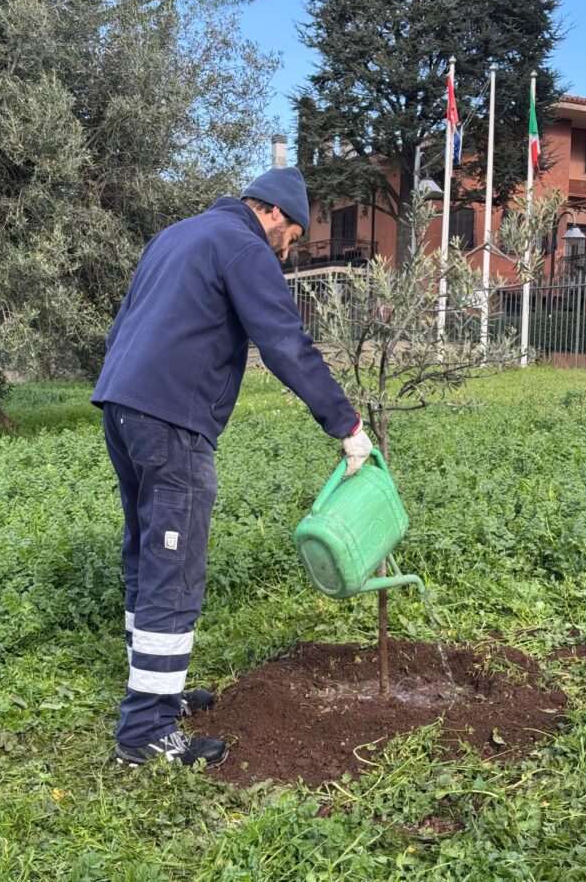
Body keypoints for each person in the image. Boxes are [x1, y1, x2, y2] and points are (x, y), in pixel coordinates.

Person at [91, 166, 373, 767]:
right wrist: (346, 425)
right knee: (175, 565)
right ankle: (145, 732)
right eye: (291, 237)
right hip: (172, 419)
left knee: (147, 551)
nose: (287, 249)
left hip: (123, 405)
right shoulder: (244, 245)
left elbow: (125, 323)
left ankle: (157, 694)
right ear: (272, 213)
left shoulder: (177, 234)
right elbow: (284, 341)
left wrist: (121, 392)